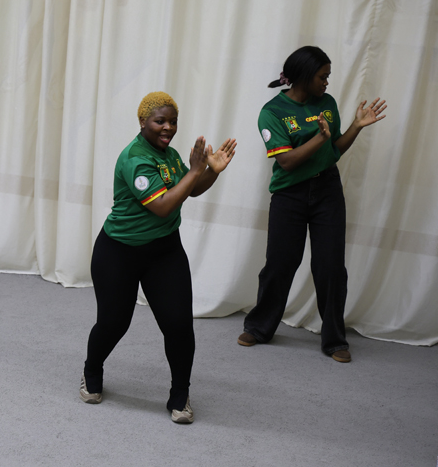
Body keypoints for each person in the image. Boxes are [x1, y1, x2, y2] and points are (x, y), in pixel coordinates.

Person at [80, 91, 237, 424]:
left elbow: (189, 189)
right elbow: (163, 206)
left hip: (164, 251)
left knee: (179, 326)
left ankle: (180, 394)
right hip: (118, 252)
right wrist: (196, 171)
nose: (168, 127)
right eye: (160, 121)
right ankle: (92, 370)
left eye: (173, 121)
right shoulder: (134, 158)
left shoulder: (171, 156)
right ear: (142, 122)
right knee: (113, 323)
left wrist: (211, 171)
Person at [238, 46, 387, 362]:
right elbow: (287, 162)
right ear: (305, 76)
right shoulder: (272, 112)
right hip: (289, 195)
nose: (327, 82)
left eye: (328, 76)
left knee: (330, 266)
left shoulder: (327, 104)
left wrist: (356, 126)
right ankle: (259, 327)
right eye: (323, 76)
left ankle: (334, 339)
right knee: (279, 264)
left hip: (327, 191)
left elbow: (334, 150)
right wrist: (319, 138)